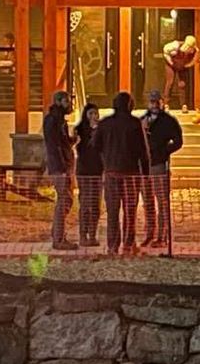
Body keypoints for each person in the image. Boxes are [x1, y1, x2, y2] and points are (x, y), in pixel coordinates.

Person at [97, 91, 150, 255]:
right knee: (130, 210)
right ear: (130, 105)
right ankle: (128, 243)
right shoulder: (135, 123)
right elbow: (143, 150)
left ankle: (112, 246)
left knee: (112, 211)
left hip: (111, 172)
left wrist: (104, 163)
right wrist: (146, 172)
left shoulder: (105, 123)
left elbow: (95, 145)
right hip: (130, 172)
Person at [140, 88, 182, 248]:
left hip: (159, 165)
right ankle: (149, 233)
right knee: (147, 201)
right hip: (145, 166)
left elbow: (178, 141)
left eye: (157, 101)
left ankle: (162, 236)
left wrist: (164, 151)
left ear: (162, 102)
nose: (154, 104)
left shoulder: (168, 121)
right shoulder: (142, 119)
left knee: (162, 201)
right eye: (152, 101)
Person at [42, 88, 77, 249]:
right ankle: (59, 238)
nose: (69, 104)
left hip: (63, 165)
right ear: (59, 102)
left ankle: (58, 234)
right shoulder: (53, 120)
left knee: (66, 199)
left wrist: (72, 140)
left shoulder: (59, 120)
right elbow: (54, 145)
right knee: (65, 200)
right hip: (60, 167)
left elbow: (61, 143)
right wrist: (62, 166)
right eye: (67, 101)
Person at [74, 101, 104, 247]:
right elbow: (80, 148)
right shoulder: (80, 130)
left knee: (96, 204)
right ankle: (83, 235)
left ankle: (92, 234)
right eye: (91, 113)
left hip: (98, 170)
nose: (94, 116)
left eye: (95, 113)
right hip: (84, 170)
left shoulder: (102, 130)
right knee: (85, 203)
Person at [162, 34, 199, 110]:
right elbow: (165, 51)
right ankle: (166, 104)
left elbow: (195, 59)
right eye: (189, 47)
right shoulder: (175, 46)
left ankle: (183, 104)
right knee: (170, 82)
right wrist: (171, 62)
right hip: (171, 64)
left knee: (182, 84)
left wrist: (188, 65)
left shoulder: (194, 50)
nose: (190, 50)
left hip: (182, 66)